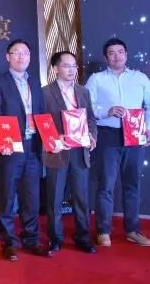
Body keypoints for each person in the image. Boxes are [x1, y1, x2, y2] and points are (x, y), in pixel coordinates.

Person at [86, 38, 150, 247]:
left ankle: (133, 230)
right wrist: (106, 111)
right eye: (111, 53)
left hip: (135, 135)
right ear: (105, 57)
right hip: (107, 135)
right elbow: (87, 107)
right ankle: (103, 231)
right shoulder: (96, 79)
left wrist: (149, 127)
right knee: (106, 185)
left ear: (126, 55)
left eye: (120, 52)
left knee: (132, 184)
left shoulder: (140, 78)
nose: (116, 56)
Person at [0, 38, 51, 261]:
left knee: (31, 196)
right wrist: (2, 141)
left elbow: (41, 113)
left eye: (25, 53)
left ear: (30, 57)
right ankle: (8, 242)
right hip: (10, 146)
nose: (21, 56)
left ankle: (31, 239)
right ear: (8, 57)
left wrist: (49, 137)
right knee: (7, 195)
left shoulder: (35, 83)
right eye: (16, 52)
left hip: (33, 145)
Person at [42, 51, 97, 254]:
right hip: (58, 151)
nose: (71, 70)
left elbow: (91, 119)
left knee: (81, 198)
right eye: (66, 65)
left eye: (74, 66)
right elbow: (42, 123)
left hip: (80, 151)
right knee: (54, 198)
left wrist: (92, 136)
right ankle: (55, 238)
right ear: (56, 68)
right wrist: (56, 138)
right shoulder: (45, 93)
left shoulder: (83, 92)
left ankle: (83, 236)